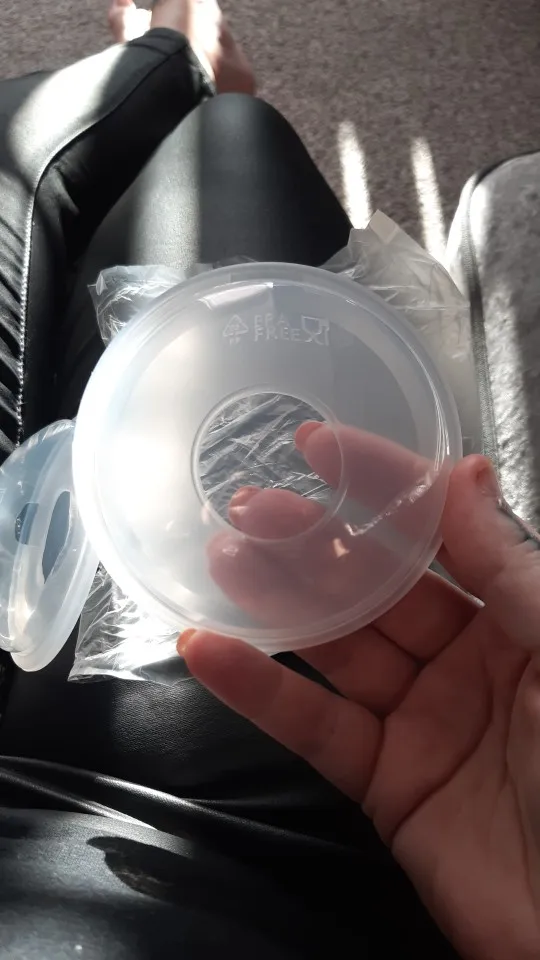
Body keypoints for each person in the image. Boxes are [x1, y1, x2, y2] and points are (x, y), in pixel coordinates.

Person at [0, 2, 539, 958]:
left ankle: (170, 66)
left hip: (74, 814)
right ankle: (181, 73)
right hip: (238, 844)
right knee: (226, 142)